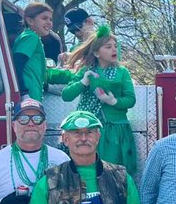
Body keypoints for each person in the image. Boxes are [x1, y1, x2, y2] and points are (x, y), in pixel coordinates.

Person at [60, 25, 139, 175]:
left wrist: (113, 101)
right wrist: (83, 82)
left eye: (115, 46)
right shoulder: (86, 71)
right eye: (108, 47)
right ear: (96, 52)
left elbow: (130, 99)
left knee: (113, 174)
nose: (114, 50)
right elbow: (66, 95)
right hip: (88, 129)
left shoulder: (122, 72)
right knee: (86, 172)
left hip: (115, 132)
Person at [11, 2, 54, 101]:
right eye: (44, 18)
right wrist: (24, 93)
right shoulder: (31, 37)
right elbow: (17, 64)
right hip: (29, 98)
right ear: (30, 20)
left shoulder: (27, 37)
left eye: (50, 19)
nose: (49, 22)